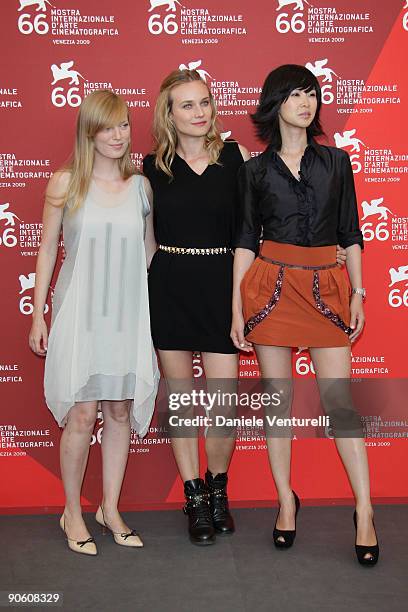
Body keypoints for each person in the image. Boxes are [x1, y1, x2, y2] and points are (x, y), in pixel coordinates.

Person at [231, 64, 379, 566]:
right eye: (295, 94)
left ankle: (364, 511)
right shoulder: (252, 170)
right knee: (277, 406)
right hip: (270, 289)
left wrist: (358, 292)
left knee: (341, 407)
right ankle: (285, 503)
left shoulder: (337, 161)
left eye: (311, 94)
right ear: (275, 104)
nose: (306, 102)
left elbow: (351, 231)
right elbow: (246, 240)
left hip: (327, 288)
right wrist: (237, 306)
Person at [29, 90, 159, 555]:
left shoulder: (142, 187)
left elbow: (149, 254)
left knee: (119, 410)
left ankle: (110, 507)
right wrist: (39, 312)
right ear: (89, 132)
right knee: (82, 414)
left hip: (125, 314)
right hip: (78, 313)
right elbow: (47, 251)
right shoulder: (65, 183)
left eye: (124, 125)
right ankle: (72, 510)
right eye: (108, 127)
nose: (119, 135)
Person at [143, 69, 252, 545]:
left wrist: (240, 303)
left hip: (222, 286)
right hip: (170, 286)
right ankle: (193, 498)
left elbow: (251, 234)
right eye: (186, 105)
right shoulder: (150, 167)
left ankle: (217, 489)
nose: (198, 111)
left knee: (224, 404)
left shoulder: (236, 157)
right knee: (184, 402)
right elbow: (145, 241)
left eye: (204, 102)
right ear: (169, 113)